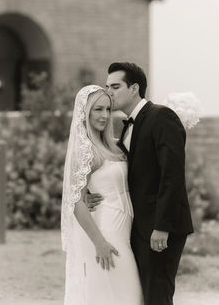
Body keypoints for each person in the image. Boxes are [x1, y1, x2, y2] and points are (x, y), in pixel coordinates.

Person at [89, 62, 194, 305]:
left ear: (134, 88)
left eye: (115, 86)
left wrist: (162, 226)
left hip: (160, 228)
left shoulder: (162, 117)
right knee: (142, 295)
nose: (109, 92)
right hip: (137, 227)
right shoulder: (126, 125)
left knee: (157, 295)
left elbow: (173, 175)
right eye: (107, 87)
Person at [61, 85, 143, 305]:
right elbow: (76, 201)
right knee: (123, 294)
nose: (105, 115)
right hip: (107, 233)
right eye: (97, 109)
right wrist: (100, 243)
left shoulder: (114, 146)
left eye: (107, 109)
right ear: (85, 112)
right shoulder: (86, 150)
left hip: (125, 231)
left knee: (123, 294)